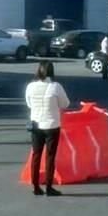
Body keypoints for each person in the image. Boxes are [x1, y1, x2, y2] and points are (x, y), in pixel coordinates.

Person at [25, 60, 69, 197]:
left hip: (36, 124)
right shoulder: (56, 87)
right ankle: (49, 187)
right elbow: (65, 104)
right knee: (50, 157)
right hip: (51, 125)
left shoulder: (31, 86)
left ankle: (36, 186)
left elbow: (29, 103)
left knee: (36, 155)